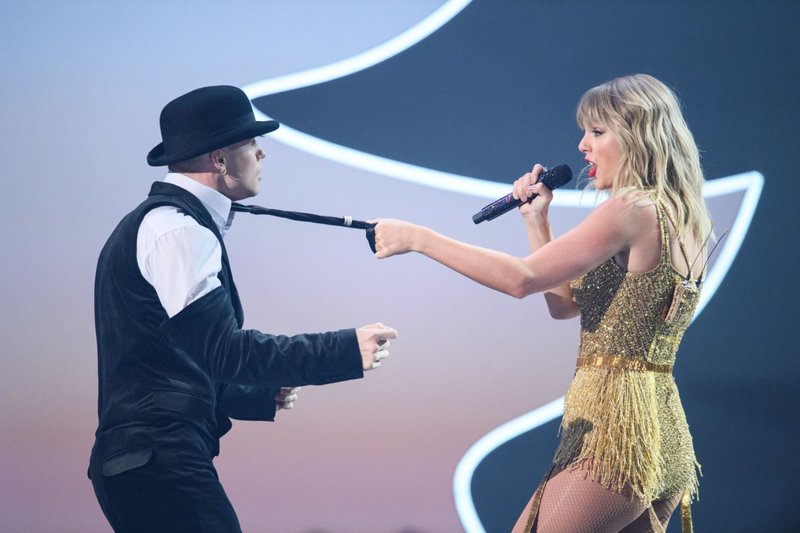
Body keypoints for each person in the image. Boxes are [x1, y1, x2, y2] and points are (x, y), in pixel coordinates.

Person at [373, 74, 710, 532]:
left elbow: (521, 279)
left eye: (597, 131)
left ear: (637, 135)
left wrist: (420, 238)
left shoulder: (629, 209)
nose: (582, 146)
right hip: (662, 431)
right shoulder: (681, 214)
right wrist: (537, 220)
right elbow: (566, 304)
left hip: (616, 434)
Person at [89, 85, 398, 532]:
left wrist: (251, 394)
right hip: (160, 459)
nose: (262, 155)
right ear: (219, 159)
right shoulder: (176, 230)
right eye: (252, 144)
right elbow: (224, 351)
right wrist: (343, 349)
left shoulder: (167, 224)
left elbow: (175, 356)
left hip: (145, 459)